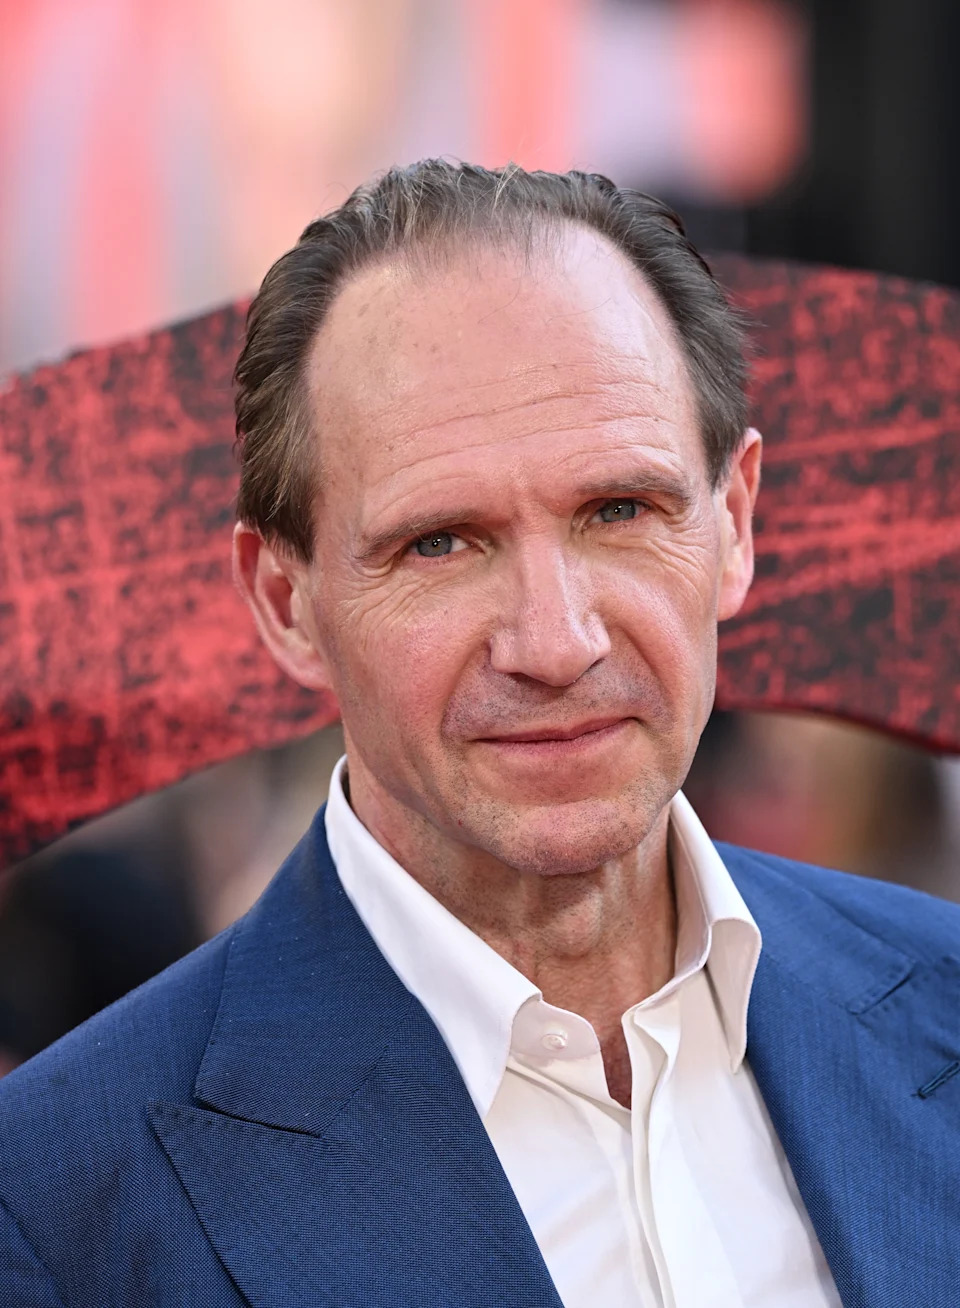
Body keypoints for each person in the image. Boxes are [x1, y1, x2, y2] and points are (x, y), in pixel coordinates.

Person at [0, 161, 956, 1308]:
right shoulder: (59, 1204)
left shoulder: (941, 1004)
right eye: (441, 542)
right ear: (282, 600)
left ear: (736, 523)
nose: (555, 643)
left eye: (619, 511)